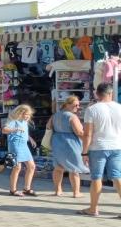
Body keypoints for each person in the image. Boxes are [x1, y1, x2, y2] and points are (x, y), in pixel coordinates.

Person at [79, 82, 121, 217]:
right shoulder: (119, 108)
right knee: (117, 177)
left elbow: (88, 134)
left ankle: (93, 208)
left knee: (96, 178)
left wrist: (84, 152)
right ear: (111, 93)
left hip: (98, 147)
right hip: (117, 146)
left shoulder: (92, 110)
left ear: (97, 94)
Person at [49, 95, 86, 198]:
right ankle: (76, 192)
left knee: (58, 168)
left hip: (57, 142)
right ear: (67, 104)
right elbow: (79, 132)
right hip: (70, 143)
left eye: (78, 105)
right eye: (75, 105)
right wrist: (88, 141)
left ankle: (58, 190)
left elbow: (48, 127)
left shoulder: (55, 115)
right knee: (74, 168)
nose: (78, 107)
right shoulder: (72, 117)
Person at [3, 104, 38, 197]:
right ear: (20, 113)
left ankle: (27, 188)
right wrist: (16, 129)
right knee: (17, 167)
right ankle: (13, 190)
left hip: (24, 145)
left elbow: (24, 132)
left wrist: (30, 139)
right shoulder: (14, 121)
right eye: (26, 114)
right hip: (15, 145)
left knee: (32, 166)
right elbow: (4, 130)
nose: (27, 116)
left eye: (29, 114)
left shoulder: (25, 122)